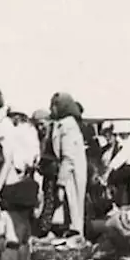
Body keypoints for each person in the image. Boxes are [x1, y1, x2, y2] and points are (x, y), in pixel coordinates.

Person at [47, 92, 88, 238]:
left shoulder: (67, 126)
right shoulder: (65, 124)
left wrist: (61, 183)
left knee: (72, 213)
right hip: (70, 173)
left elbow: (68, 157)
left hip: (71, 176)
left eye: (53, 106)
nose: (50, 109)